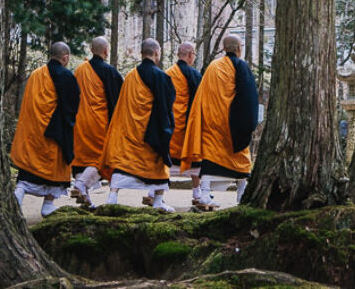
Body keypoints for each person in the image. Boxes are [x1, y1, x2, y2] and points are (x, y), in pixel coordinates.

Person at [180, 34, 258, 208]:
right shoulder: (241, 66)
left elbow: (201, 97)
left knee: (211, 161)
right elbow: (248, 97)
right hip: (233, 126)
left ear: (224, 48)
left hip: (212, 125)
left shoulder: (213, 67)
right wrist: (248, 124)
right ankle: (241, 195)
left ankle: (205, 194)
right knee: (242, 162)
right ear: (239, 49)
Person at [101, 38, 176, 211]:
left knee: (124, 165)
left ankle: (112, 196)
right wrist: (166, 129)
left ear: (142, 54)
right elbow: (166, 105)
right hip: (152, 132)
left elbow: (123, 106)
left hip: (131, 132)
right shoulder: (161, 76)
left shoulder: (130, 76)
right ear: (157, 53)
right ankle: (157, 201)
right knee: (158, 165)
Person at [10, 41, 80, 217]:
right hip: (54, 133)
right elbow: (71, 107)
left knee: (29, 168)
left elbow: (28, 105)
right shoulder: (66, 76)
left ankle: (19, 192)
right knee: (55, 168)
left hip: (33, 132)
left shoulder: (35, 74)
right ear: (65, 57)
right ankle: (48, 204)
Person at [145, 42, 203, 207]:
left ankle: (153, 192)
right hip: (188, 128)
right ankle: (197, 194)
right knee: (195, 159)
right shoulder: (194, 75)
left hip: (170, 126)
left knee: (165, 160)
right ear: (190, 54)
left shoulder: (168, 73)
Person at [70, 36, 123, 207]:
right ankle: (81, 184)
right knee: (103, 159)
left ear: (91, 50)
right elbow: (118, 100)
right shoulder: (109, 72)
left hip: (79, 122)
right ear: (106, 51)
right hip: (99, 124)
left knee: (81, 159)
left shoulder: (79, 70)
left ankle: (85, 198)